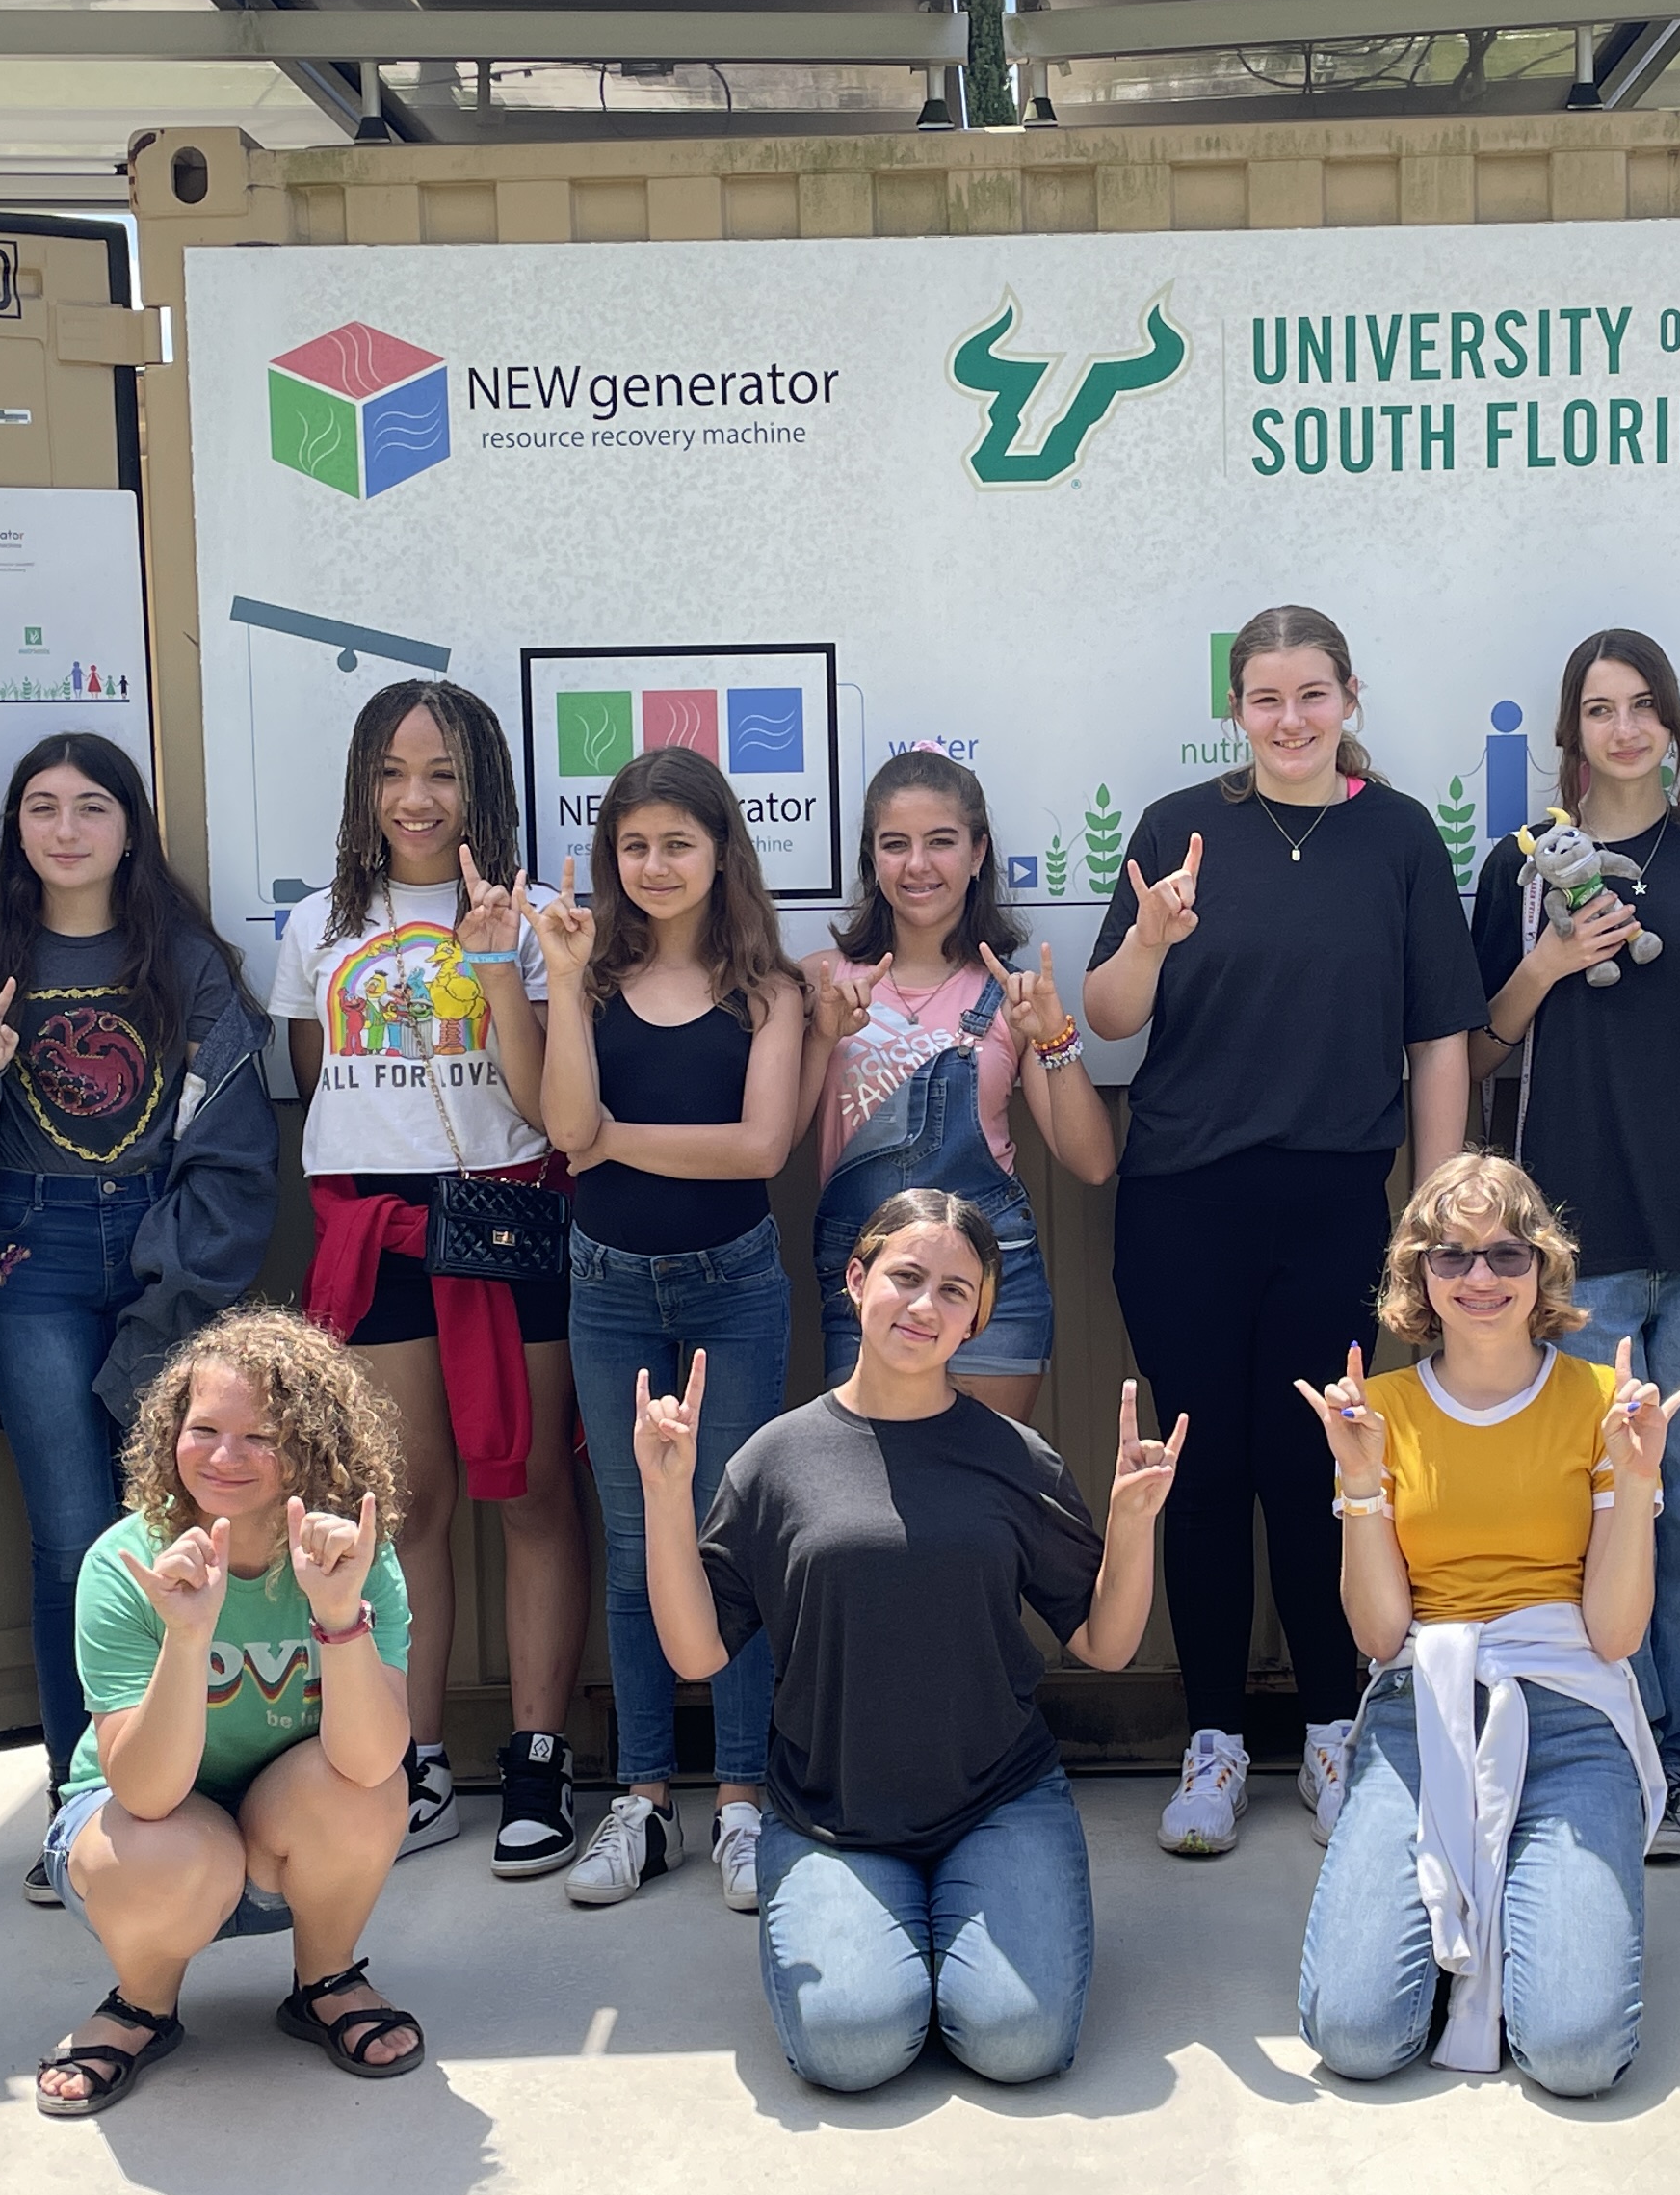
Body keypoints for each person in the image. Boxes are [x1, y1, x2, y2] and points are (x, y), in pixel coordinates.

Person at [632, 1190, 1184, 2092]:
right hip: (832, 1814)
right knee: (852, 2048)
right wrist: (664, 1495)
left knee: (1018, 2045)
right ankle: (888, 1940)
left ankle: (962, 1929)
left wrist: (1131, 1526)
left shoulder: (1016, 1457)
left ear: (978, 1320)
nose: (926, 1306)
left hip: (997, 1801)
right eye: (906, 1278)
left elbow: (1105, 1644)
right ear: (857, 1281)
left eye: (956, 1292)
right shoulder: (773, 1461)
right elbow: (698, 1656)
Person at [1085, 606, 1482, 1858]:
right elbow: (1104, 1017)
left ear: (1350, 699)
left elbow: (1440, 1041)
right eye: (1267, 698)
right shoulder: (1173, 831)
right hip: (1183, 1203)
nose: (1292, 719)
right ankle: (1211, 1742)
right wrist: (1149, 937)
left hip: (1334, 1205)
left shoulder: (1399, 837)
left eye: (1314, 694)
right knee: (1200, 1475)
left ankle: (1328, 1729)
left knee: (1322, 1474)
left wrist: (1438, 1209)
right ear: (1238, 711)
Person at [0, 733, 272, 1906]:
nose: (67, 830)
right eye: (43, 808)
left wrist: (175, 1282)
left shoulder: (189, 962)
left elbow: (234, 1145)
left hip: (169, 1248)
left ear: (131, 827)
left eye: (93, 807)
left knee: (184, 1527)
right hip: (33, 1254)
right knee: (73, 1538)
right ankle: (84, 1804)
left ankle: (194, 1790)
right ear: (17, 829)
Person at [1466, 629, 1680, 1858]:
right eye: (1599, 709)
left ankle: (1674, 1743)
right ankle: (1613, 1740)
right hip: (1575, 1231)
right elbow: (1485, 1048)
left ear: (1672, 721)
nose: (1623, 729)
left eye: (1643, 705)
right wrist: (1548, 961)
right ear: (1570, 728)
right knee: (1598, 1503)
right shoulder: (1521, 867)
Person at [275, 679, 592, 1882]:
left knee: (535, 1495)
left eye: (444, 773)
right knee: (406, 1511)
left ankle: (540, 1753)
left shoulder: (546, 917)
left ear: (484, 787)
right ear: (362, 784)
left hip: (508, 1226)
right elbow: (324, 1085)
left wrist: (502, 961)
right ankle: (418, 1758)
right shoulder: (318, 928)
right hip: (374, 1240)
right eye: (393, 773)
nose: (416, 798)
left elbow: (536, 1100)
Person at [1293, 1155, 1680, 2098]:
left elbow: (1616, 1633)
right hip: (1418, 1713)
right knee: (1352, 2036)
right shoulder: (1377, 1411)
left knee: (1576, 2056)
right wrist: (1358, 1483)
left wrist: (1635, 1484)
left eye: (1507, 1255)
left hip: (1567, 1715)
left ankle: (1513, 1892)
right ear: (1417, 1274)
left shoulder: (1604, 1405)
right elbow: (1383, 1638)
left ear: (1542, 1268)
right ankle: (1481, 1891)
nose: (1479, 1278)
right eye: (1452, 1255)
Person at [530, 744, 810, 1916]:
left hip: (731, 1286)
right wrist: (555, 987)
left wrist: (610, 1137)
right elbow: (559, 1121)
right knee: (639, 1538)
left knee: (727, 1538)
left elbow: (758, 1151)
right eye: (633, 845)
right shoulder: (586, 982)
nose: (654, 865)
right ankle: (643, 1799)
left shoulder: (772, 991)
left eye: (677, 844)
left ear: (721, 852)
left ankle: (741, 1801)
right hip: (605, 1285)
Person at [31, 1308, 423, 2113]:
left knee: (367, 1792)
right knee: (164, 1850)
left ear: (312, 1447)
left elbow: (374, 1762)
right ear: (170, 1434)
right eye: (203, 1428)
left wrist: (341, 1617)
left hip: (289, 1837)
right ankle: (141, 2003)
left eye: (263, 1437)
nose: (224, 1457)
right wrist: (187, 1632)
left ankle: (327, 1977)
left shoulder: (354, 1553)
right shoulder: (125, 1562)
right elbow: (143, 1794)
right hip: (152, 1835)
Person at [800, 750, 1116, 1423]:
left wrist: (1054, 1036)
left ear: (977, 854)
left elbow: (1091, 1162)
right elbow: (780, 1140)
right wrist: (822, 1034)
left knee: (981, 1503)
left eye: (940, 842)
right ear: (872, 857)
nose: (918, 865)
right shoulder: (822, 979)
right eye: (895, 845)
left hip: (991, 1292)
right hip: (863, 1286)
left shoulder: (1008, 996)